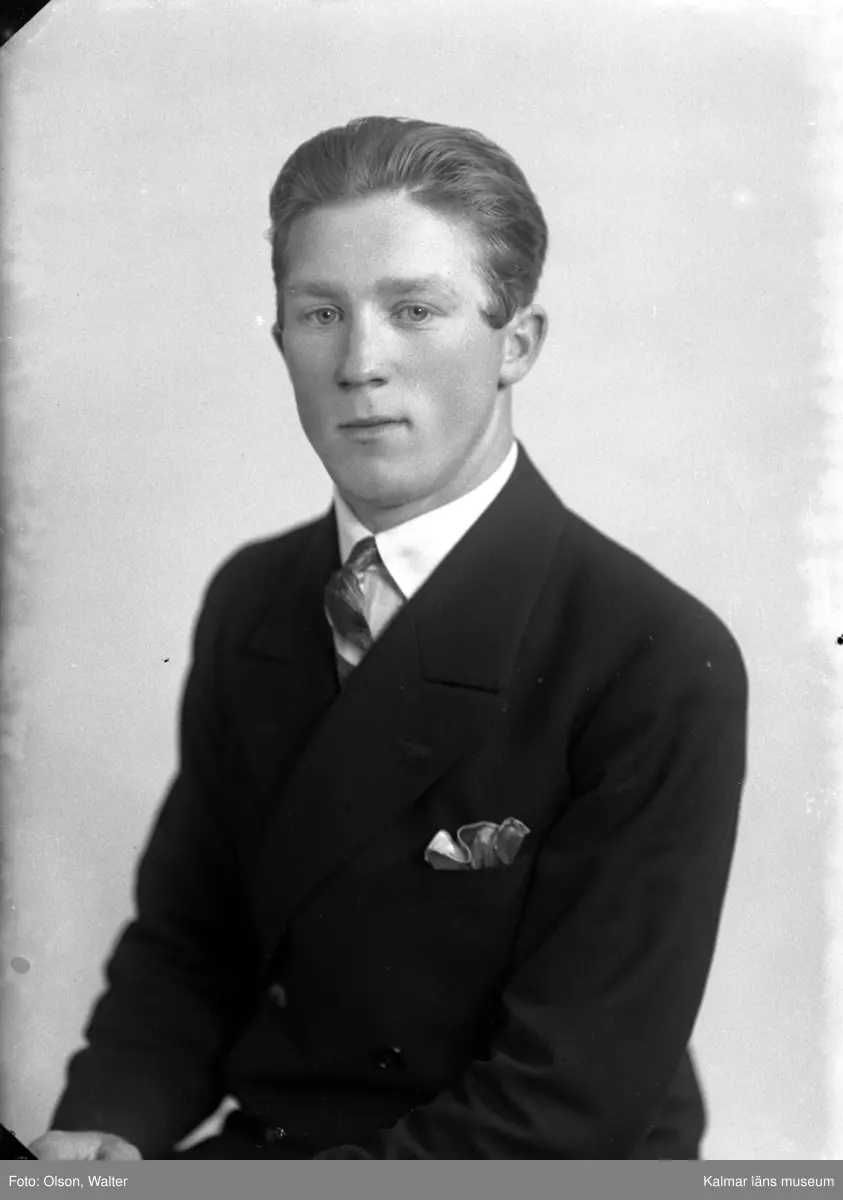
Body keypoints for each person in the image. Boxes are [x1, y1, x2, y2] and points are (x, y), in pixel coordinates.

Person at [32, 115, 747, 1161]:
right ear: (281, 341)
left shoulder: (654, 655)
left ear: (516, 344)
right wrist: (105, 1128)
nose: (360, 363)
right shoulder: (254, 597)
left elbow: (567, 1103)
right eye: (320, 313)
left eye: (414, 310)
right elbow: (190, 947)